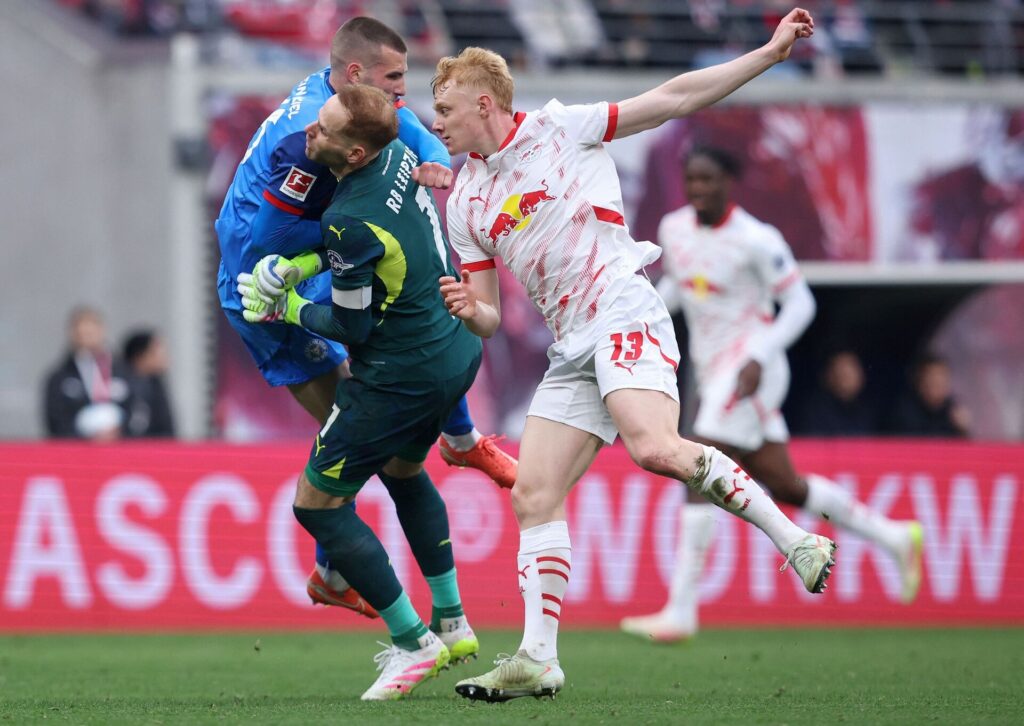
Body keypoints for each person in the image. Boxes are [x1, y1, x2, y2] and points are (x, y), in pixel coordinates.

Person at [433, 9, 838, 703]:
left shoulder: (562, 127)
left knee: (655, 448)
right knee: (533, 496)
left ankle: (795, 537)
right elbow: (492, 316)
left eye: (443, 109)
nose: (435, 121)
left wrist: (769, 55)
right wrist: (476, 313)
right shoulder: (465, 199)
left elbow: (674, 97)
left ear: (483, 102)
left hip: (623, 307)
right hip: (571, 345)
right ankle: (537, 657)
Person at [214, 16, 517, 618]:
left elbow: (410, 128)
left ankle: (461, 440)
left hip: (317, 260)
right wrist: (350, 241)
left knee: (415, 327)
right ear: (356, 74)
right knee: (364, 433)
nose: (407, 90)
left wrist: (432, 162)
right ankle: (341, 575)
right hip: (265, 283)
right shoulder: (307, 136)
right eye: (395, 77)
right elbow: (272, 236)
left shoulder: (354, 104)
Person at [619, 147, 922, 644]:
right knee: (786, 484)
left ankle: (682, 610)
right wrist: (640, 313)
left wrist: (763, 351)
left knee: (695, 465)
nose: (698, 188)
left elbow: (801, 303)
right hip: (714, 372)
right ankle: (894, 536)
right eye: (691, 179)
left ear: (727, 184)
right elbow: (681, 287)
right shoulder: (673, 229)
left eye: (708, 180)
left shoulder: (757, 240)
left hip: (754, 368)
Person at [237, 84, 482, 700]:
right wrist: (302, 267)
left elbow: (351, 325)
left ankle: (413, 644)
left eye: (323, 132)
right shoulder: (399, 154)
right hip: (455, 354)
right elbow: (367, 250)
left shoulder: (348, 216)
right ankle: (452, 620)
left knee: (315, 505)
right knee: (404, 471)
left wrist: (287, 302)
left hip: (399, 377)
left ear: (352, 155)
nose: (309, 137)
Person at [43, 306, 134, 441]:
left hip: (121, 448)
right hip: (78, 450)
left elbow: (137, 409)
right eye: (82, 334)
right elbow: (56, 419)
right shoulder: (59, 377)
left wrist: (121, 432)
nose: (87, 339)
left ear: (102, 331)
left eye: (91, 333)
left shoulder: (124, 371)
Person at [797, 349, 878, 436]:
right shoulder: (815, 411)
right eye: (842, 372)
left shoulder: (870, 409)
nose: (847, 378)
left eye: (851, 371)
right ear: (828, 376)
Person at [890, 354, 971, 437]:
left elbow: (964, 447)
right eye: (932, 379)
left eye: (941, 380)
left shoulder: (953, 412)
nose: (937, 384)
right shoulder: (905, 413)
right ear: (920, 382)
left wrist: (963, 430)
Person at [122, 329, 176, 438]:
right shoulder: (122, 387)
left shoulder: (156, 383)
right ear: (140, 356)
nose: (164, 357)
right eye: (158, 353)